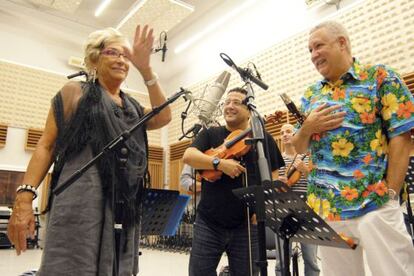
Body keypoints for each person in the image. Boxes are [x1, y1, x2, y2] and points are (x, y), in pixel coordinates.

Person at [7, 24, 171, 275]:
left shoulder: (133, 108)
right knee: (71, 264)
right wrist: (24, 199)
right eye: (113, 53)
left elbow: (164, 116)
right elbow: (46, 145)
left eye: (126, 56)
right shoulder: (74, 93)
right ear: (94, 58)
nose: (121, 60)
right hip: (80, 202)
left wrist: (146, 68)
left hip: (122, 204)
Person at [292, 20, 414, 276]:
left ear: (342, 43)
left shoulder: (380, 77)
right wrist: (307, 127)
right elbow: (298, 146)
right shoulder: (311, 94)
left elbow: (402, 136)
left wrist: (390, 194)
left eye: (318, 46)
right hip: (327, 208)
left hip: (375, 203)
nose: (313, 55)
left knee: (394, 272)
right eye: (309, 50)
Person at [183, 87, 285, 276]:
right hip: (209, 223)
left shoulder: (262, 138)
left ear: (249, 110)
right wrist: (218, 163)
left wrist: (265, 205)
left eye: (236, 102)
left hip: (247, 225)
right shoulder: (210, 133)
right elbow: (189, 156)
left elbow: (273, 174)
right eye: (227, 102)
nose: (229, 106)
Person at [274, 123, 320, 276]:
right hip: (283, 210)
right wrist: (277, 183)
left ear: (296, 134)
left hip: (306, 208)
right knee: (281, 263)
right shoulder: (276, 160)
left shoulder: (307, 157)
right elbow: (270, 187)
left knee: (311, 261)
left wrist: (305, 170)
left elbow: (318, 183)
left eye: (289, 131)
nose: (285, 134)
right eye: (282, 132)